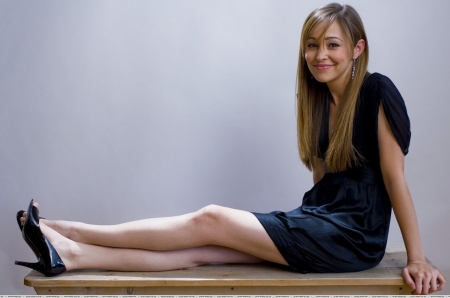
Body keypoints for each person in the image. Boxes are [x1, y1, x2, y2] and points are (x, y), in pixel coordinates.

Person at [16, 3, 445, 295]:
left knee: (210, 219)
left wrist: (418, 258)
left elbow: (394, 178)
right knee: (200, 252)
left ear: (357, 49)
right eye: (312, 45)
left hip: (353, 238)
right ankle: (70, 256)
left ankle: (68, 230)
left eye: (332, 44)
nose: (320, 55)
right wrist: (302, 222)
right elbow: (323, 184)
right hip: (320, 222)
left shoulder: (376, 91)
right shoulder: (316, 104)